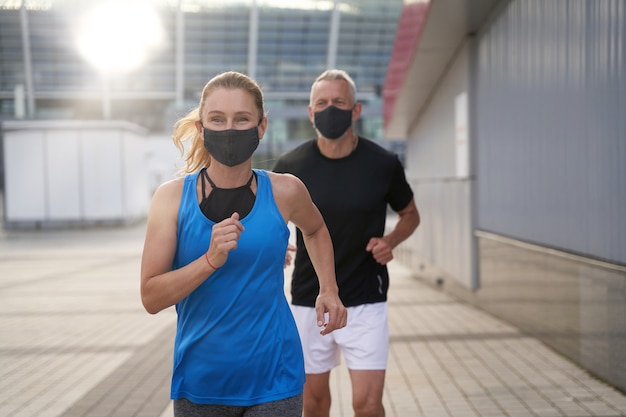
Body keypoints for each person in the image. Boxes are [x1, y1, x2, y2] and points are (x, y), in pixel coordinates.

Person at [140, 71, 347, 417]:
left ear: (261, 127)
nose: (230, 130)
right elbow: (151, 296)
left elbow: (315, 229)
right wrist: (210, 259)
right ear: (202, 129)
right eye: (217, 119)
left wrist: (329, 288)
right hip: (202, 382)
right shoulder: (171, 199)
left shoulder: (286, 191)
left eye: (242, 119)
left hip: (275, 376)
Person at [273, 69, 420, 417]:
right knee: (313, 404)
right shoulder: (290, 167)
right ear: (310, 113)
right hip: (309, 302)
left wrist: (391, 240)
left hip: (366, 300)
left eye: (339, 102)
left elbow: (410, 213)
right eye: (321, 103)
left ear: (356, 110)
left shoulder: (382, 163)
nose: (330, 109)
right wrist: (277, 246)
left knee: (367, 406)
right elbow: (271, 221)